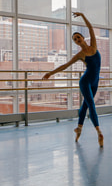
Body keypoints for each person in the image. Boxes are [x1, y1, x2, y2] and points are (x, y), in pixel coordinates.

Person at [43, 12, 104, 147]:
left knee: (86, 105)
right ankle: (99, 132)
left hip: (95, 81)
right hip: (85, 81)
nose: (77, 40)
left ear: (83, 37)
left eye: (78, 37)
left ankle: (79, 128)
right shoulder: (80, 55)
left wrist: (82, 15)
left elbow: (90, 28)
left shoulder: (93, 45)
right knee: (91, 105)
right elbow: (65, 65)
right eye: (75, 40)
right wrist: (51, 73)